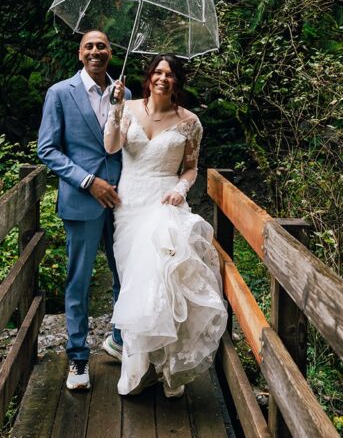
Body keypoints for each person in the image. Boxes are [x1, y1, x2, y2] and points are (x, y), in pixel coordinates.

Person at [103, 54, 227, 398]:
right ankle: (138, 368)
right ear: (148, 77)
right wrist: (115, 109)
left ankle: (167, 367)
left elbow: (190, 168)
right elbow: (111, 146)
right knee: (134, 286)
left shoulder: (190, 122)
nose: (162, 78)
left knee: (163, 282)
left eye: (169, 74)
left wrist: (179, 189)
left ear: (177, 81)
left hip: (164, 203)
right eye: (157, 72)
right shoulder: (127, 108)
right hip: (129, 204)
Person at [37, 30, 130, 391]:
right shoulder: (60, 93)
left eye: (102, 46)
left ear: (111, 52)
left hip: (122, 203)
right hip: (83, 200)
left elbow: (126, 146)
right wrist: (89, 181)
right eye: (89, 46)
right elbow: (47, 149)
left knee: (126, 274)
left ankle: (121, 340)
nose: (96, 51)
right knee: (79, 280)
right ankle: (77, 357)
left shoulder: (125, 93)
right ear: (80, 54)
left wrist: (121, 105)